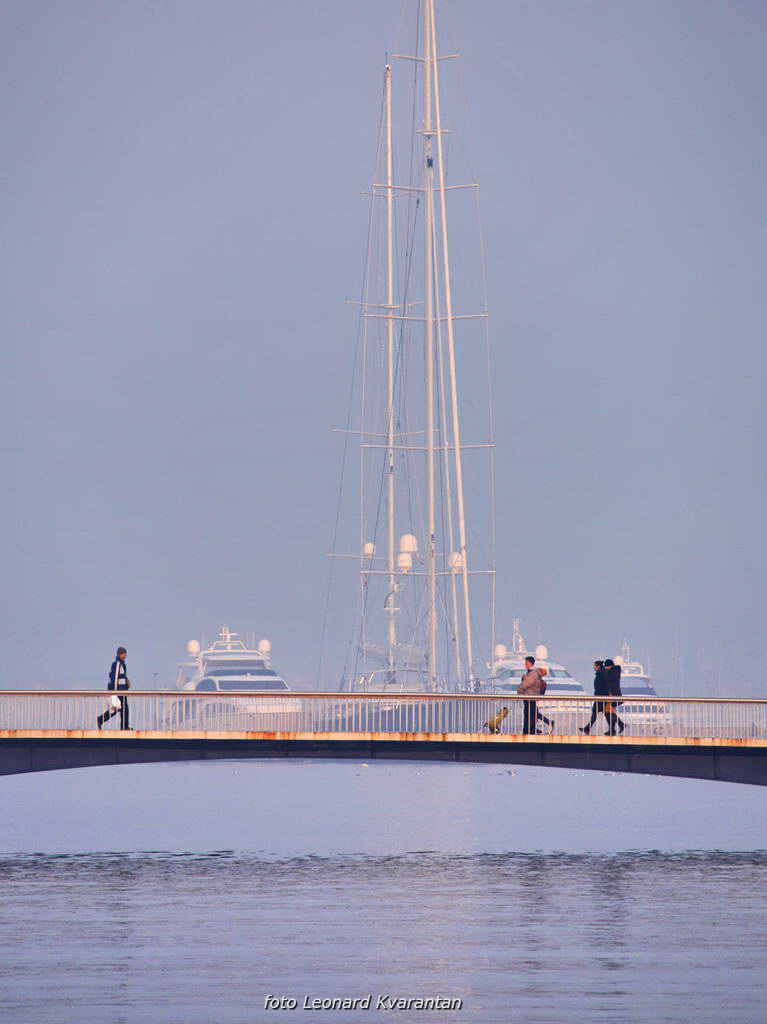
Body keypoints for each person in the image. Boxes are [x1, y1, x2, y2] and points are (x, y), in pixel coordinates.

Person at [97, 646, 131, 730]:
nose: (126, 655)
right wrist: (114, 692)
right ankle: (124, 727)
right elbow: (114, 678)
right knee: (122, 709)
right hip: (119, 691)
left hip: (122, 691)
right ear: (121, 654)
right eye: (125, 653)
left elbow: (120, 677)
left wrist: (127, 683)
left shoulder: (121, 663)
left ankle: (101, 719)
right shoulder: (117, 664)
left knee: (119, 709)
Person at [517, 656, 550, 734]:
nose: (525, 664)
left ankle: (529, 730)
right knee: (531, 713)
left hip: (529, 696)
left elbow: (526, 684)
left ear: (530, 663)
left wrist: (519, 692)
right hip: (530, 696)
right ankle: (531, 729)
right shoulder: (533, 673)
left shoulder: (532, 673)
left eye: (526, 662)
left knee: (529, 714)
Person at [579, 660, 609, 734]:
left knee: (596, 713)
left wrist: (598, 695)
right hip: (601, 697)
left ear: (598, 666)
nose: (593, 667)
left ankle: (587, 728)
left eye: (594, 666)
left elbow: (602, 686)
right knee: (605, 713)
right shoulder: (601, 673)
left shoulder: (601, 674)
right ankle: (587, 728)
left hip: (601, 697)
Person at [603, 657, 625, 735]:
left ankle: (620, 725)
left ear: (609, 666)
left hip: (612, 696)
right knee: (609, 712)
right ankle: (613, 729)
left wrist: (609, 693)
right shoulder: (615, 671)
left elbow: (609, 681)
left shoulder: (612, 672)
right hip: (613, 695)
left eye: (606, 666)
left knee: (609, 713)